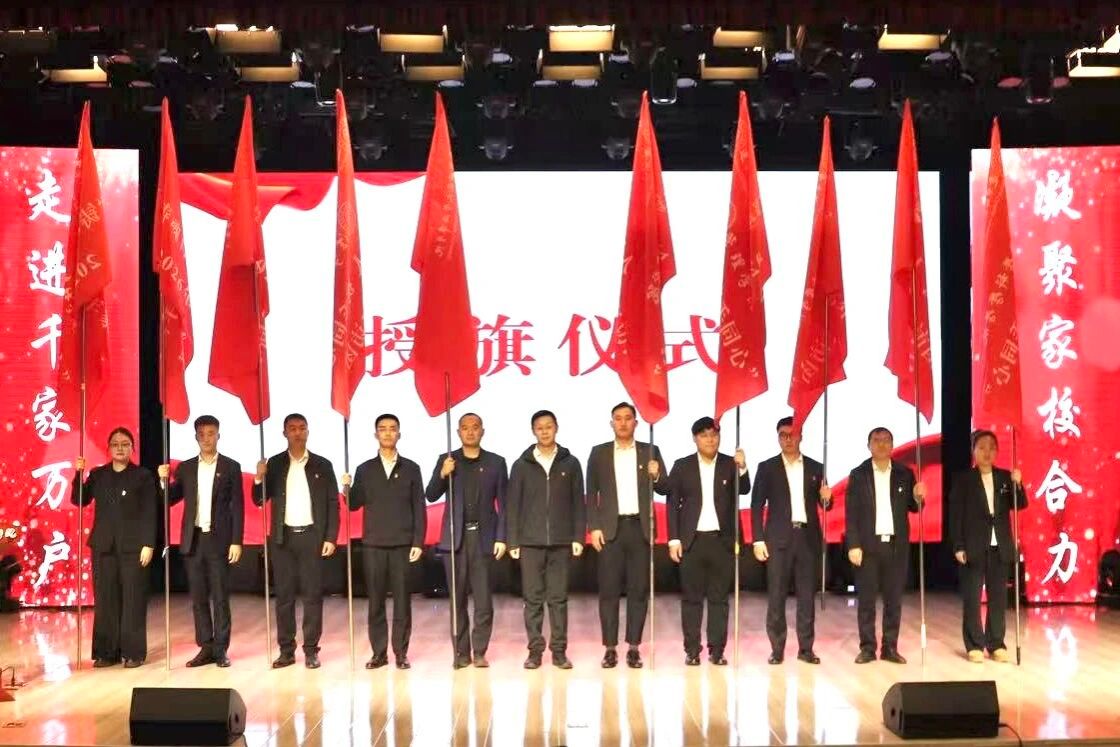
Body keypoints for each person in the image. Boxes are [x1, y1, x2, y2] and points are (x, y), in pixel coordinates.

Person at [585, 402, 669, 669]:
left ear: (636, 423)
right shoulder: (599, 453)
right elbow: (591, 494)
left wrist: (657, 475)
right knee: (608, 591)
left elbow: (665, 488)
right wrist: (594, 527)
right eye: (618, 419)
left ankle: (634, 647)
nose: (623, 423)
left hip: (640, 529)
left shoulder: (650, 451)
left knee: (638, 591)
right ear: (611, 423)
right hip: (610, 530)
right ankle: (610, 648)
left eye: (628, 418)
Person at [254, 413, 340, 669]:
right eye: (292, 429)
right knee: (284, 597)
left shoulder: (322, 465)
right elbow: (259, 499)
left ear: (308, 431)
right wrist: (259, 478)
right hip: (283, 538)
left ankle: (311, 650)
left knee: (312, 596)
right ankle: (286, 650)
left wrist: (330, 537)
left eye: (302, 428)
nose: (297, 433)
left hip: (312, 536)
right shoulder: (275, 464)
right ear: (285, 433)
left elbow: (333, 503)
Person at [425, 413, 508, 669]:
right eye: (465, 428)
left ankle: (480, 651)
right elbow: (431, 494)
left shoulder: (496, 462)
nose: (470, 432)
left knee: (483, 601)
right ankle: (461, 653)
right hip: (455, 540)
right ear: (458, 432)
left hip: (484, 538)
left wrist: (502, 537)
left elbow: (505, 504)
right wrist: (443, 473)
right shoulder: (448, 460)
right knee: (457, 600)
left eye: (475, 427)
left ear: (482, 431)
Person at [160, 415, 244, 668]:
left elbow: (237, 506)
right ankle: (205, 647)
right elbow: (171, 499)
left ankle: (221, 649)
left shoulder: (230, 466)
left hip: (219, 540)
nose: (206, 438)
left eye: (211, 433)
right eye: (202, 434)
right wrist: (164, 481)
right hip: (193, 540)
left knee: (220, 597)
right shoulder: (185, 468)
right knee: (198, 598)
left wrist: (236, 541)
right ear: (196, 437)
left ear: (219, 435)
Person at [667, 416, 750, 666]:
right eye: (704, 435)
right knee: (691, 599)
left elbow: (744, 489)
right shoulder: (682, 466)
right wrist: (674, 539)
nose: (710, 440)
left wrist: (743, 467)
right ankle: (692, 650)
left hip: (722, 541)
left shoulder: (729, 464)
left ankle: (717, 650)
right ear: (695, 439)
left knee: (719, 599)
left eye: (714, 435)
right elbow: (672, 504)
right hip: (691, 542)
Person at [72, 427, 157, 668]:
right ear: (109, 448)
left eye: (125, 444)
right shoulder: (98, 475)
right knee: (105, 600)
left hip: (134, 547)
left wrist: (148, 543)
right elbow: (79, 499)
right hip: (104, 546)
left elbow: (149, 512)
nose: (120, 448)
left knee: (133, 599)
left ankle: (133, 652)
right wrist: (78, 474)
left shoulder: (142, 476)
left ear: (132, 448)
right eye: (115, 444)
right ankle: (106, 652)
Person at [345, 414, 425, 670]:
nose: (388, 433)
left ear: (399, 434)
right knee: (376, 602)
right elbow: (353, 504)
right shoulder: (365, 469)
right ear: (375, 434)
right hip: (374, 544)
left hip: (402, 544)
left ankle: (401, 653)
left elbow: (419, 507)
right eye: (383, 429)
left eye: (392, 429)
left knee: (402, 602)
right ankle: (379, 653)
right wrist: (347, 488)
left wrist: (418, 542)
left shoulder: (411, 468)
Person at [507, 409, 585, 670]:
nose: (544, 431)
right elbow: (513, 505)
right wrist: (513, 541)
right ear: (533, 431)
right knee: (532, 600)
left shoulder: (571, 463)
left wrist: (578, 536)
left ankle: (559, 651)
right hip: (530, 543)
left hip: (561, 542)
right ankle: (535, 651)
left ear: (556, 428)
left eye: (549, 426)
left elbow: (578, 503)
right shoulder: (521, 465)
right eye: (539, 427)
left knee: (558, 599)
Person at [751, 416, 832, 665]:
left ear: (801, 436)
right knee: (776, 596)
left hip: (807, 538)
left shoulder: (816, 467)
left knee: (807, 597)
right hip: (778, 539)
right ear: (778, 438)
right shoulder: (767, 467)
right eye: (783, 435)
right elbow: (756, 505)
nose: (788, 439)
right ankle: (777, 649)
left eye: (792, 434)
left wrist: (827, 498)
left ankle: (806, 649)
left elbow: (825, 504)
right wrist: (758, 539)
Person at [844, 427, 926, 664]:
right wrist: (853, 544)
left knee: (894, 600)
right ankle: (868, 648)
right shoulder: (858, 475)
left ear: (892, 444)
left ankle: (890, 647)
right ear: (868, 445)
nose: (881, 444)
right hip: (867, 546)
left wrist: (919, 496)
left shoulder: (904, 473)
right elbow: (851, 513)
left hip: (896, 546)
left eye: (886, 440)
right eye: (876, 440)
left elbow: (914, 507)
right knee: (867, 601)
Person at [949, 429, 1027, 663]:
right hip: (973, 546)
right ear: (973, 451)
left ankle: (996, 644)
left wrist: (1018, 484)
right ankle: (974, 644)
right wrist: (958, 546)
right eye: (982, 447)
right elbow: (956, 516)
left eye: (992, 448)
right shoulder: (964, 480)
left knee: (998, 599)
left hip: (999, 545)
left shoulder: (1004, 477)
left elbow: (1020, 504)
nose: (987, 452)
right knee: (972, 599)